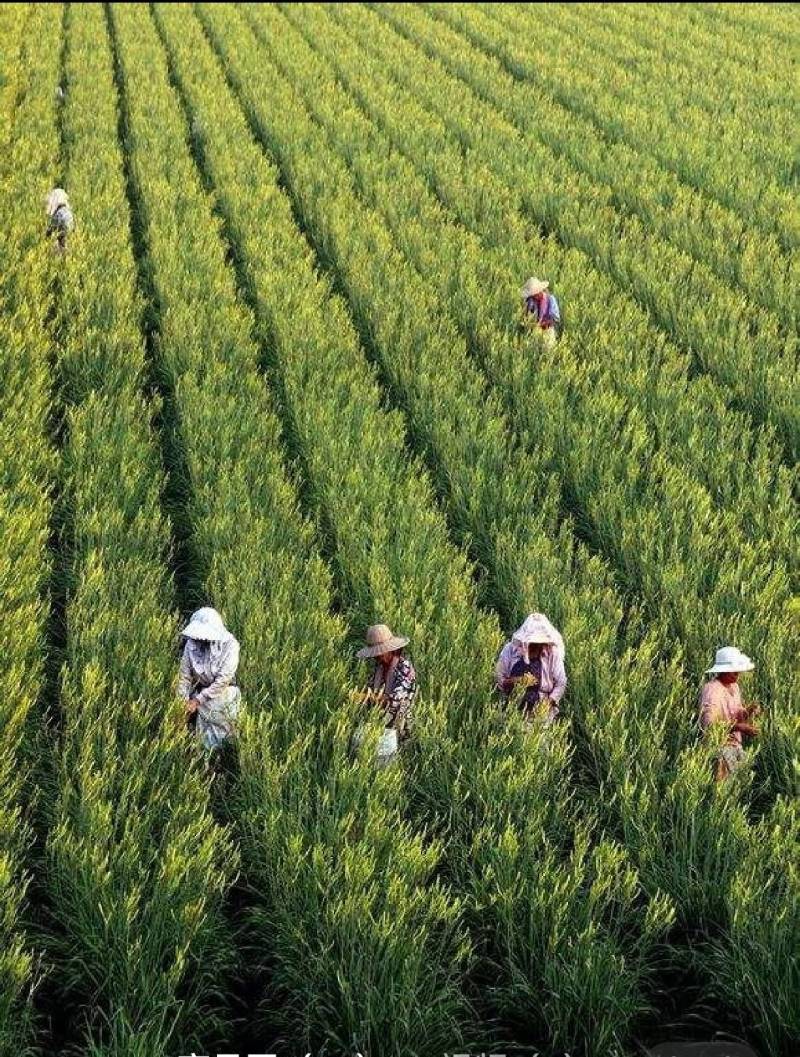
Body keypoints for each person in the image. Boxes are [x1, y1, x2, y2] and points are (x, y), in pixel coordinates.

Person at [177, 606, 241, 752]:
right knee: (203, 737)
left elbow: (223, 681)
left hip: (223, 694)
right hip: (201, 693)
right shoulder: (191, 645)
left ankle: (225, 755)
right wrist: (182, 702)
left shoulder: (231, 646)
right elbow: (185, 676)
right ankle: (204, 757)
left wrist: (197, 701)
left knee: (223, 732)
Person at [699, 646, 759, 781]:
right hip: (718, 747)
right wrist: (738, 727)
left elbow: (738, 714)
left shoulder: (734, 687)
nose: (737, 673)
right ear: (723, 670)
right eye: (733, 669)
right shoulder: (712, 690)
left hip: (735, 745)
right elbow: (709, 724)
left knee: (739, 787)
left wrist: (749, 711)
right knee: (722, 789)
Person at [495, 613, 566, 724]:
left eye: (540, 642)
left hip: (541, 711)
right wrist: (518, 681)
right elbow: (499, 679)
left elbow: (561, 683)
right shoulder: (510, 650)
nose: (536, 646)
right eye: (533, 643)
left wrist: (548, 703)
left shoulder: (552, 653)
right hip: (512, 708)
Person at [356, 623, 417, 742]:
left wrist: (368, 697)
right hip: (380, 723)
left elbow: (397, 700)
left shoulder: (404, 667)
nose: (377, 656)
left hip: (399, 726)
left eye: (380, 653)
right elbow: (371, 689)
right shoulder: (379, 668)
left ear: (391, 650)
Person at [520, 276, 561, 348]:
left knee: (548, 353)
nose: (534, 297)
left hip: (548, 332)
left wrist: (540, 324)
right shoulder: (531, 301)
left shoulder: (550, 299)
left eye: (535, 294)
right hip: (534, 333)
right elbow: (527, 315)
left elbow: (555, 319)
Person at [45, 187, 74, 253]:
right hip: (69, 240)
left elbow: (51, 229)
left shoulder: (59, 213)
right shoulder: (68, 212)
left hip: (62, 240)